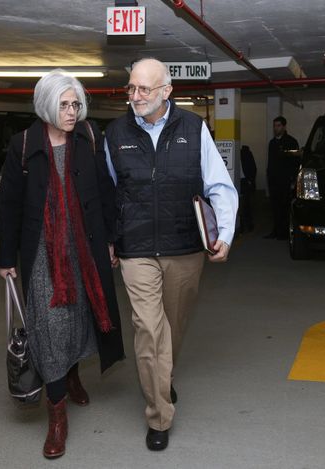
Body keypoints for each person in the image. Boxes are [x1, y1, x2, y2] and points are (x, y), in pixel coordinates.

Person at [103, 58, 238, 451]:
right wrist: (110, 239)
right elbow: (107, 193)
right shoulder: (115, 133)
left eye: (144, 89)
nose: (136, 96)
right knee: (148, 329)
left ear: (167, 91)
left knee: (172, 329)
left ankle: (164, 377)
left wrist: (224, 235)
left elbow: (219, 186)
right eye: (131, 88)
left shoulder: (194, 129)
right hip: (136, 248)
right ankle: (159, 414)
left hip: (184, 248)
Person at [0, 70, 124, 459]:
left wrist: (109, 241)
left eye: (76, 105)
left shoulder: (86, 137)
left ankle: (71, 373)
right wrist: (6, 259)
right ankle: (57, 417)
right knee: (48, 326)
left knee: (78, 316)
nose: (72, 112)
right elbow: (9, 205)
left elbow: (105, 190)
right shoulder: (22, 146)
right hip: (40, 250)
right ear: (46, 105)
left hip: (82, 246)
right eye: (65, 105)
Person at [264, 115, 300, 239]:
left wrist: (293, 180)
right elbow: (271, 162)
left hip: (285, 181)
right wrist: (269, 176)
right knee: (274, 207)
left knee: (285, 207)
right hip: (273, 181)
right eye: (274, 125)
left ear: (284, 127)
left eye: (278, 125)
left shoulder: (291, 142)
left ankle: (285, 233)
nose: (276, 128)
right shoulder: (272, 143)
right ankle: (276, 231)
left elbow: (295, 163)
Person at [239, 144, 257, 233]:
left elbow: (253, 168)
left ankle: (248, 225)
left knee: (245, 205)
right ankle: (241, 227)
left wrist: (250, 180)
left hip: (244, 181)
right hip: (235, 181)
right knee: (240, 206)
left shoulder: (245, 153)